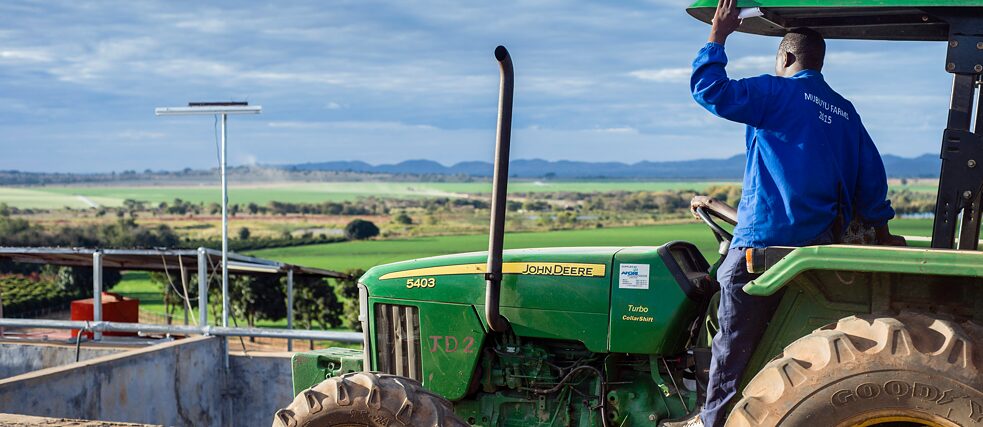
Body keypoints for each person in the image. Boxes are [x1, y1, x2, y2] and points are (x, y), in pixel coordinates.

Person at [661, 1, 903, 426]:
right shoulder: (845, 112)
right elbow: (872, 188)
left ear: (787, 57)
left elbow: (710, 90)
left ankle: (711, 419)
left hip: (764, 244)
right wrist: (879, 237)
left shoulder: (777, 93)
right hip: (818, 253)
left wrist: (717, 37)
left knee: (728, 339)